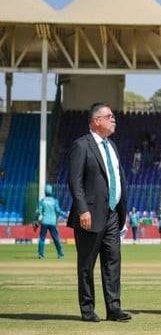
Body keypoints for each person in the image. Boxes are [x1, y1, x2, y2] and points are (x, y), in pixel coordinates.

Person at [67, 103, 131, 323]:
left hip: (113, 214)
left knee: (113, 262)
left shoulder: (111, 146)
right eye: (109, 116)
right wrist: (82, 209)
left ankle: (114, 308)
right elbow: (74, 181)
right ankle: (87, 310)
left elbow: (119, 179)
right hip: (90, 216)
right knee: (86, 264)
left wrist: (124, 211)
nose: (113, 119)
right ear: (96, 121)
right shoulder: (81, 145)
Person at [37, 184, 67, 259]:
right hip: (53, 222)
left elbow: (39, 212)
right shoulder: (54, 201)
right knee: (56, 238)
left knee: (42, 238)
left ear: (45, 192)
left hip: (44, 221)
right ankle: (60, 254)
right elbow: (58, 211)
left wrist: (36, 220)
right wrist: (66, 215)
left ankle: (41, 255)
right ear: (51, 192)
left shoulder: (42, 201)